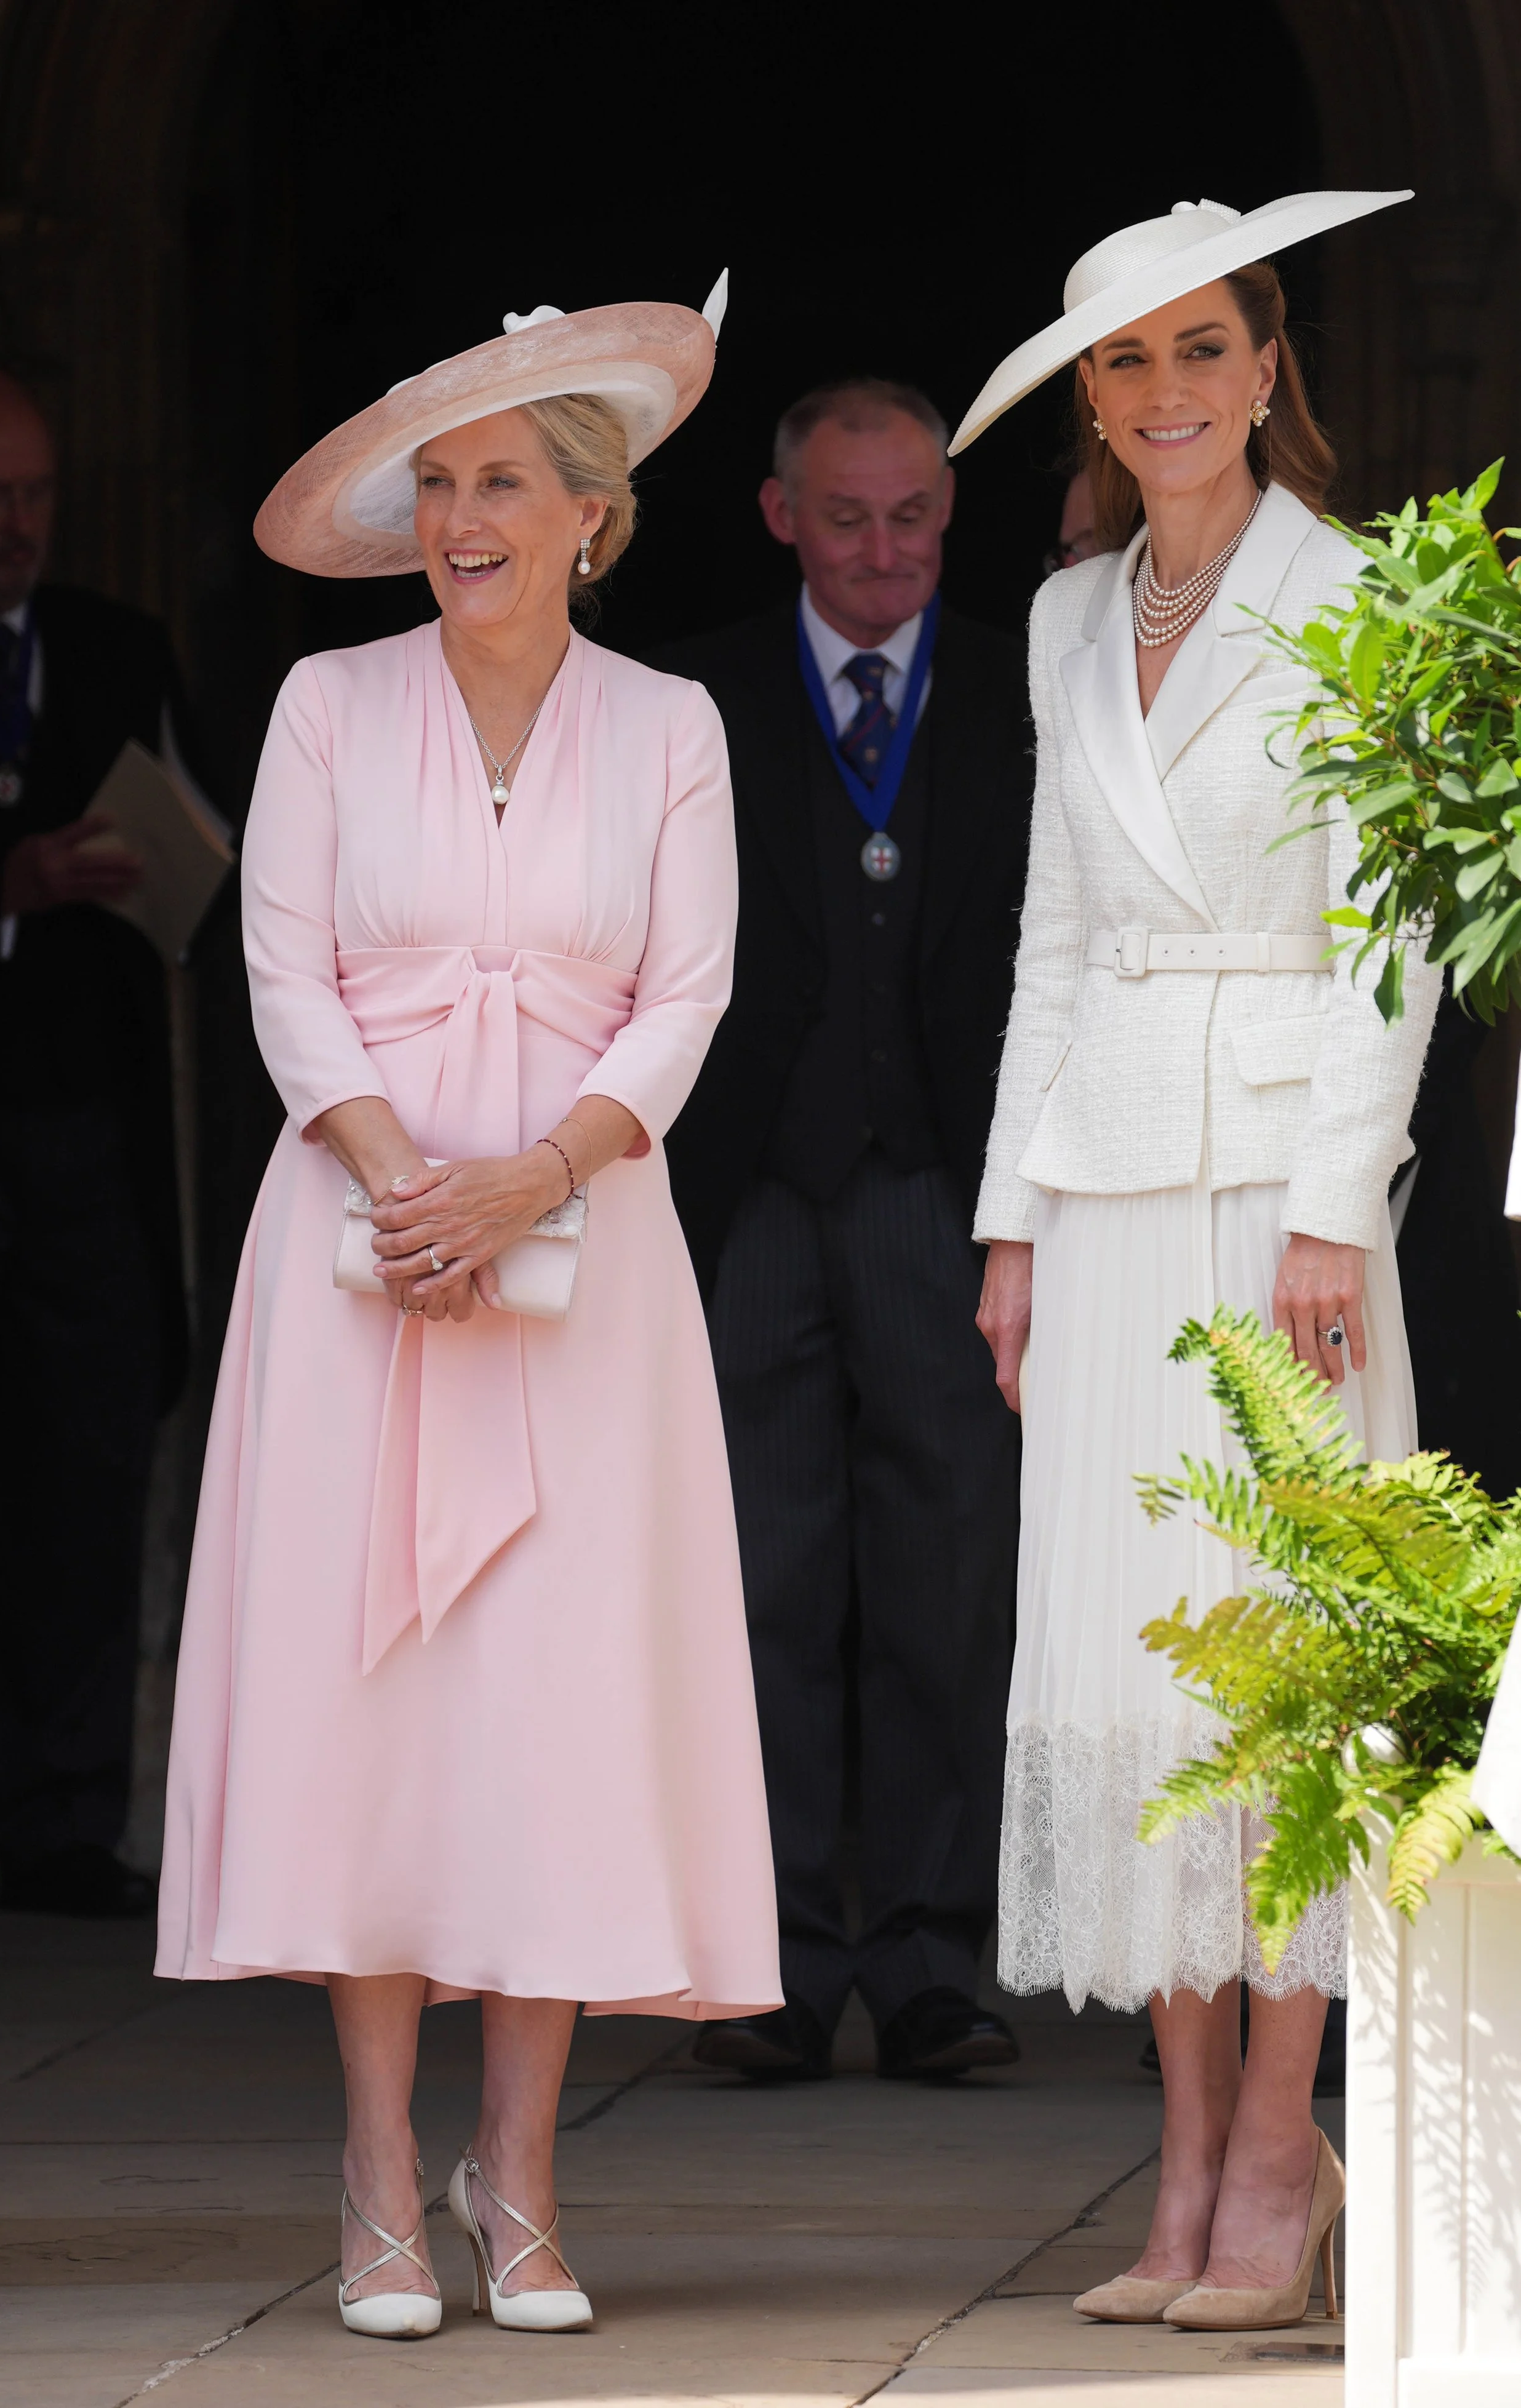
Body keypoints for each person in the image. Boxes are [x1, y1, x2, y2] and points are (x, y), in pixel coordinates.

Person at [156, 288, 780, 2342]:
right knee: (381, 1712)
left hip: (588, 1270)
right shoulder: (331, 706)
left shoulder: (671, 726)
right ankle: (371, 2172)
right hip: (356, 1260)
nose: (462, 519)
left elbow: (687, 993)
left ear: (591, 515)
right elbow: (280, 968)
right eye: (438, 488)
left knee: (551, 1712)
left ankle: (515, 2178)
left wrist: (541, 1172)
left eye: (500, 481)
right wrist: (403, 1179)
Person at [959, 189, 1437, 2330]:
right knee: (1138, 1677)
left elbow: (1396, 933)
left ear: (1269, 370)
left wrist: (1343, 1197)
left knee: (1282, 1675)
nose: (1169, 392)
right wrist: (1007, 1222)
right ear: (1094, 396)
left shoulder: (1361, 597)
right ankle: (1176, 2164)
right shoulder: (1064, 618)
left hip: (1281, 1208)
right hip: (1108, 1182)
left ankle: (1278, 2152)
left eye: (1205, 349)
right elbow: (1053, 939)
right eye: (1127, 360)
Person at [658, 380, 1029, 2082]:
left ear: (949, 517)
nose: (884, 552)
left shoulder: (1030, 680)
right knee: (758, 1581)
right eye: (848, 517)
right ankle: (776, 1964)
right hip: (745, 1197)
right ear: (777, 514)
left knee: (949, 1581)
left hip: (948, 1192)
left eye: (915, 519)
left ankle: (934, 1959)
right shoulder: (690, 693)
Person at [0, 368, 203, 1918]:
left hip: (84, 1134)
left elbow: (201, 838)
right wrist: (8, 880)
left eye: (35, 496)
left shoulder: (119, 648)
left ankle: (62, 1818)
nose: (15, 528)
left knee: (80, 1475)